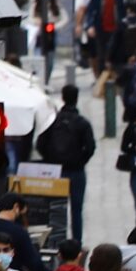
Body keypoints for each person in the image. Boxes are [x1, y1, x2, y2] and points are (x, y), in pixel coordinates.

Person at [35, 83, 98, 231]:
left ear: (62, 98)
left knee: (56, 208)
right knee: (77, 209)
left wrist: (49, 159)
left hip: (55, 171)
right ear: (76, 99)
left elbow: (40, 144)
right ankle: (77, 240)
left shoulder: (52, 121)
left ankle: (57, 238)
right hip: (76, 171)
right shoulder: (82, 123)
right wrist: (81, 161)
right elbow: (90, 147)